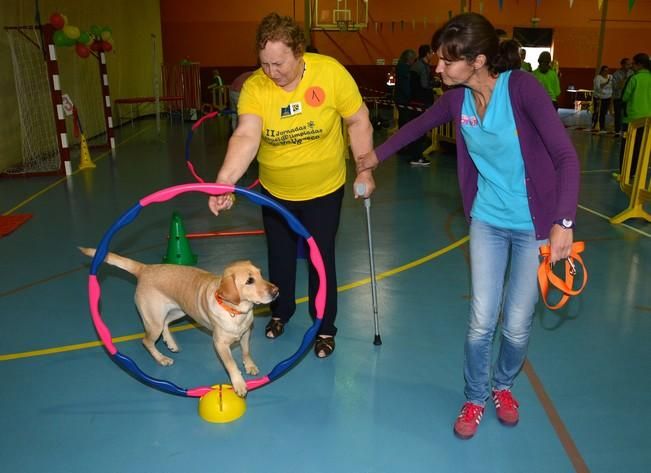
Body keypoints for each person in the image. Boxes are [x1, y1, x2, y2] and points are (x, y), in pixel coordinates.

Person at [355, 13, 579, 439]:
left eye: (447, 61)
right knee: (481, 319)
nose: (438, 68)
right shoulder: (457, 100)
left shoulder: (522, 89)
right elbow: (418, 125)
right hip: (489, 221)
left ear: (477, 60)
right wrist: (375, 158)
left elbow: (566, 157)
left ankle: (504, 387)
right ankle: (476, 397)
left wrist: (563, 221)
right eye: (438, 60)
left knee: (515, 323)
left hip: (535, 227)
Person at [208, 12, 375, 359]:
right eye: (264, 64)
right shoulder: (256, 87)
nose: (272, 72)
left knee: (320, 259)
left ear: (299, 52)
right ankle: (281, 312)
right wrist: (225, 180)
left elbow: (358, 120)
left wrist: (364, 168)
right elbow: (246, 135)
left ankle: (325, 326)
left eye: (279, 63)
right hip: (276, 191)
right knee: (279, 257)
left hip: (324, 189)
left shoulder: (329, 73)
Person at [619, 52, 651, 178]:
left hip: (632, 119)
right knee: (642, 148)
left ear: (640, 65)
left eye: (634, 63)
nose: (632, 66)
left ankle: (625, 173)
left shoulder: (634, 78)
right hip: (648, 119)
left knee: (628, 148)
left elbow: (625, 97)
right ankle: (637, 173)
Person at [407, 44, 436, 166]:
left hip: (414, 101)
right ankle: (417, 157)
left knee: (415, 129)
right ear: (427, 53)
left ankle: (414, 154)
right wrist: (435, 84)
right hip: (421, 102)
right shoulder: (423, 67)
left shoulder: (416, 65)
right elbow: (424, 85)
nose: (433, 55)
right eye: (431, 52)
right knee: (421, 130)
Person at [612, 57, 633, 136]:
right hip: (618, 97)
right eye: (627, 64)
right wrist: (624, 79)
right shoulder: (616, 74)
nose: (629, 66)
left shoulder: (632, 73)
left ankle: (626, 130)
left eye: (630, 64)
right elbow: (615, 87)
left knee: (627, 114)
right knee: (617, 115)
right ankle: (617, 131)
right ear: (622, 65)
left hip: (628, 98)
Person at [591, 65, 613, 133]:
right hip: (599, 97)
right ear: (602, 71)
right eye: (605, 70)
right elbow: (598, 88)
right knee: (597, 112)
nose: (606, 72)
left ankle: (602, 125)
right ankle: (595, 124)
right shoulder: (598, 78)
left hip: (607, 97)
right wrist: (606, 82)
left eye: (607, 70)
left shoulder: (610, 76)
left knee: (603, 112)